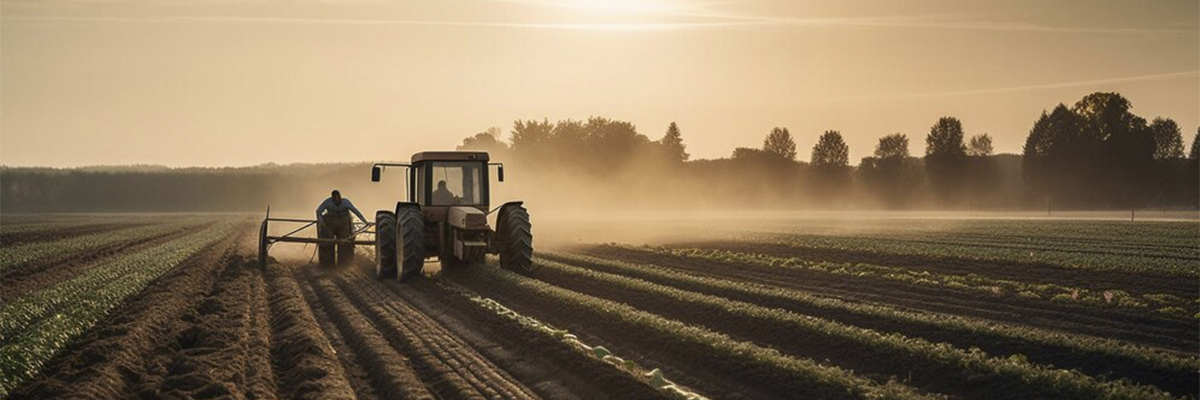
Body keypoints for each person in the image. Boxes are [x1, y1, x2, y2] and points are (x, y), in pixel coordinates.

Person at [315, 190, 369, 266]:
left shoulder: (346, 202)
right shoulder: (327, 202)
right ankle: (327, 263)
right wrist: (321, 222)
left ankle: (345, 262)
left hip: (343, 222)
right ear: (332, 198)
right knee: (327, 241)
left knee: (345, 241)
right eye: (335, 198)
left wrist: (365, 222)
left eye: (338, 198)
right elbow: (318, 211)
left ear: (340, 197)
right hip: (330, 222)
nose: (337, 200)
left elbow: (355, 211)